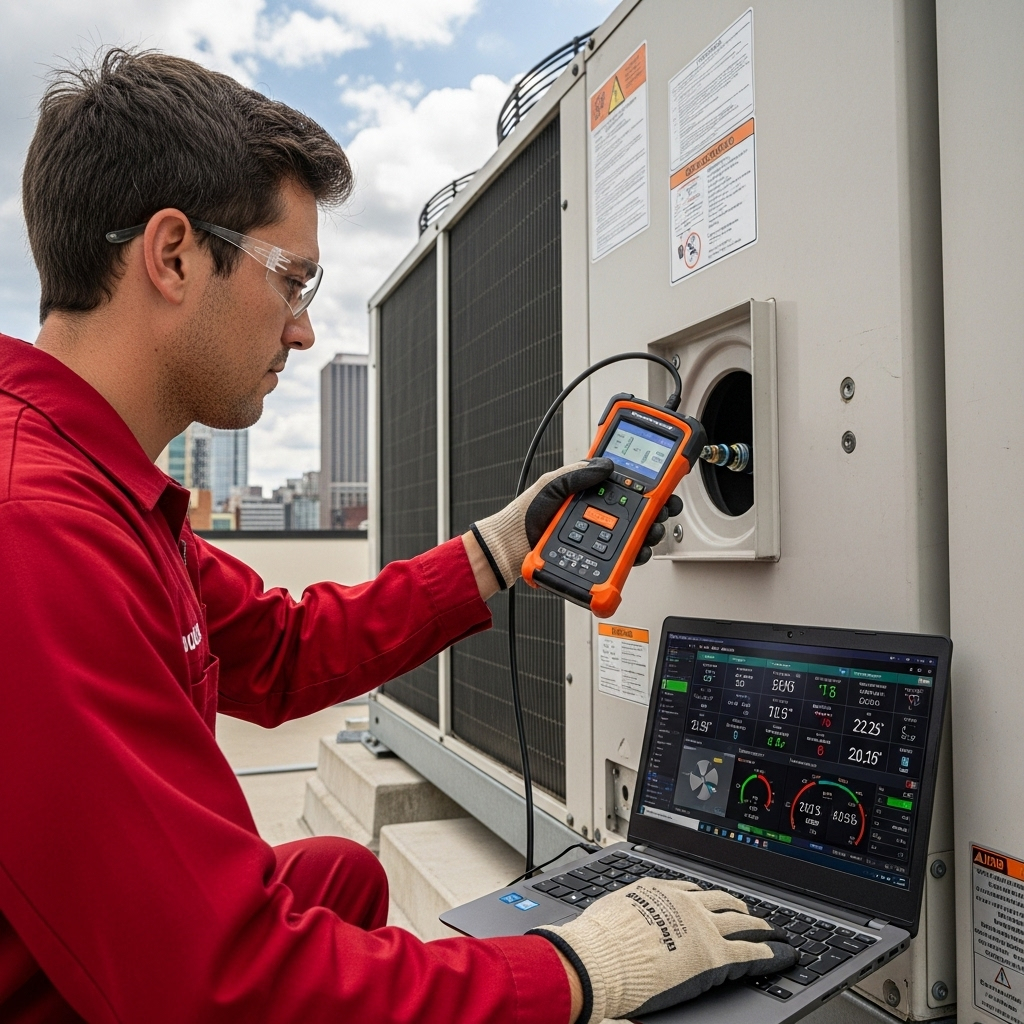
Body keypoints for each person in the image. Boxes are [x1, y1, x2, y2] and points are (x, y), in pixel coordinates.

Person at [0, 49, 795, 1024]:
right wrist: (579, 968)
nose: (300, 332)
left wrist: (497, 549)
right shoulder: (35, 537)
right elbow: (217, 988)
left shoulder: (95, 489)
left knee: (336, 875)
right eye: (291, 280)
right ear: (171, 256)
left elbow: (282, 652)